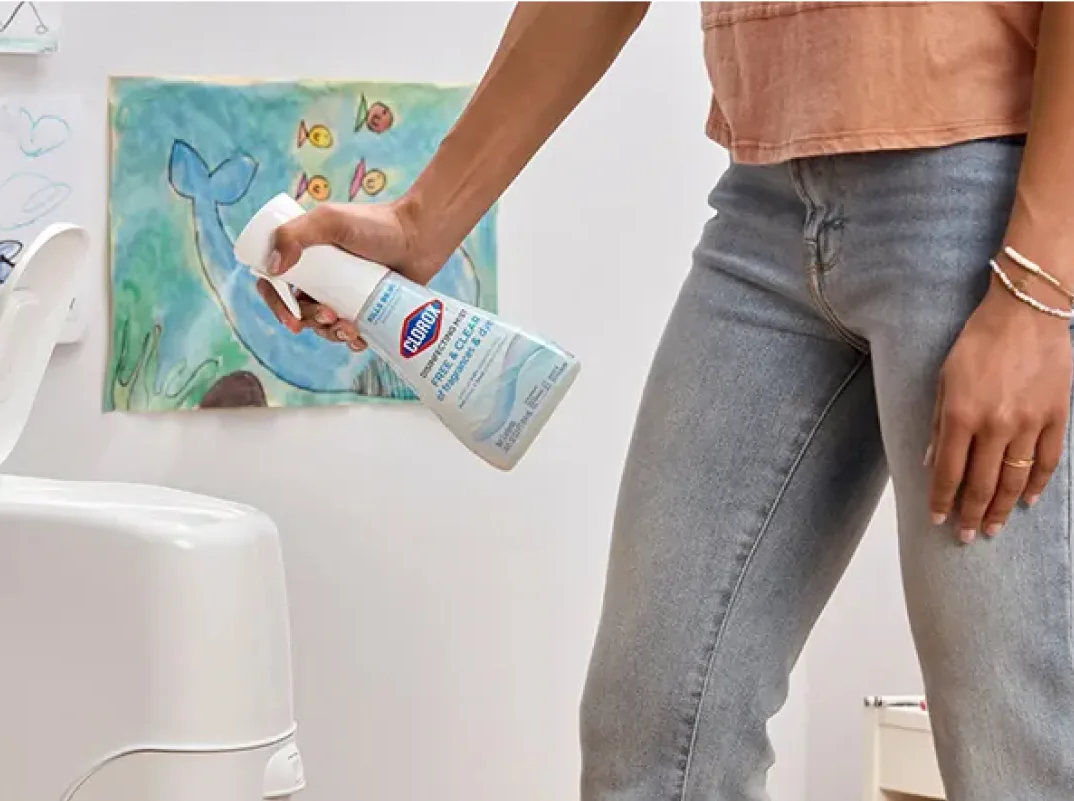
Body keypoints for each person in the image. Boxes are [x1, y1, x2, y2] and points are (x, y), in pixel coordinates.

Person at [259, 3, 1074, 798]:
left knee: (1017, 748)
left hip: (987, 189)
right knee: (651, 734)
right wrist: (420, 220)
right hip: (764, 202)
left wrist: (1041, 285)